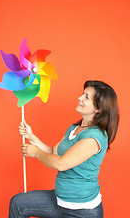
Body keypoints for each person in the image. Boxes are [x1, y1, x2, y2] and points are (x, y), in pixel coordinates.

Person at [8, 80, 119, 218]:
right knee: (18, 203)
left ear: (98, 108)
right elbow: (54, 152)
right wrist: (31, 137)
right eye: (82, 94)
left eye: (87, 97)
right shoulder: (74, 129)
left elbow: (61, 163)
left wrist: (36, 153)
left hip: (82, 211)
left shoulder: (94, 137)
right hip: (60, 202)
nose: (80, 98)